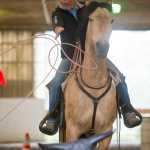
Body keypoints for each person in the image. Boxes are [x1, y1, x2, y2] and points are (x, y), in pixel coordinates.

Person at [39, 0, 142, 135]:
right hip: (70, 56)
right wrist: (57, 29)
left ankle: (127, 110)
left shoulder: (86, 10)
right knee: (56, 83)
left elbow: (99, 18)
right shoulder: (57, 14)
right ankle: (53, 117)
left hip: (94, 55)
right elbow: (57, 25)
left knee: (119, 77)